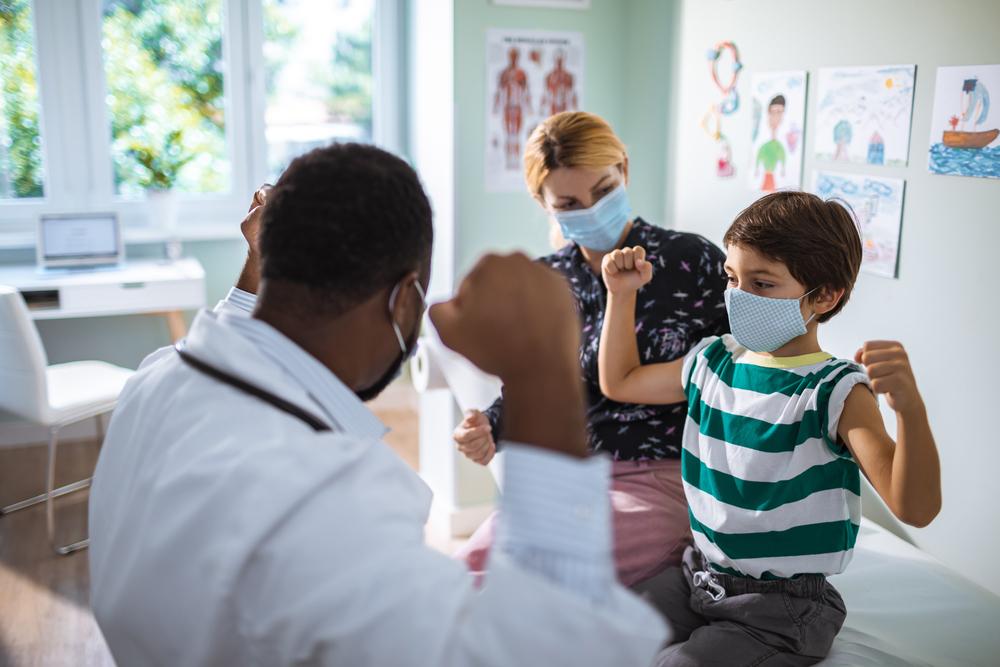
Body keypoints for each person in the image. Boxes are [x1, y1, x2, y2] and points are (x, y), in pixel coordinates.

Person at [87, 143, 668, 666]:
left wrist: (258, 261)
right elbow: (551, 647)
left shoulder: (155, 381)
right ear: (403, 301)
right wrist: (543, 368)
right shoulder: (325, 499)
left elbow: (229, 333)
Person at [598, 191, 942, 665]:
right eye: (732, 278)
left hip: (782, 607)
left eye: (762, 284)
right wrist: (621, 295)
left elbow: (915, 507)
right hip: (698, 573)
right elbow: (621, 381)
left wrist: (910, 410)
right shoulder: (713, 361)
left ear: (824, 295)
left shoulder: (834, 391)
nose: (739, 298)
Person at [453, 111, 729, 586]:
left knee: (513, 579)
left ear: (624, 170)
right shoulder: (544, 282)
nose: (593, 209)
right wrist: (489, 426)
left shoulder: (693, 260)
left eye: (603, 191)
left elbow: (740, 372)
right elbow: (530, 388)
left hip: (668, 478)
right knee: (467, 568)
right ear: (544, 205)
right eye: (570, 203)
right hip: (571, 480)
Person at [494, 47, 531, 169]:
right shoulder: (504, 73)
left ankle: (516, 161)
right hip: (507, 107)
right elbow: (499, 92)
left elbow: (526, 92)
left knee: (517, 135)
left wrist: (529, 107)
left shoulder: (522, 73)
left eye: (515, 55)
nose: (513, 58)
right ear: (509, 56)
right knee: (509, 134)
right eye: (511, 55)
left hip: (518, 107)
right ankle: (508, 160)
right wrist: (496, 106)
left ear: (518, 57)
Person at [754, 94, 787, 191]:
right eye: (772, 112)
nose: (775, 117)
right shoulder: (762, 143)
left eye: (779, 112)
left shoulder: (781, 145)